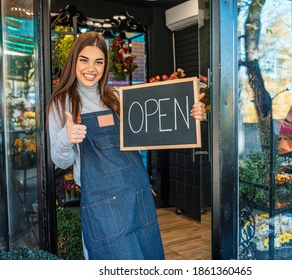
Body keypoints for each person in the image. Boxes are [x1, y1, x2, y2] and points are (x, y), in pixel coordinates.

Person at [46, 31, 206, 260]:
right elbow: (61, 161)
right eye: (84, 60)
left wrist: (192, 116)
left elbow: (159, 129)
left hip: (137, 195)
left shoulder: (118, 98)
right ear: (74, 61)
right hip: (102, 206)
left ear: (105, 66)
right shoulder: (61, 103)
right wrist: (65, 137)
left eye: (98, 62)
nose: (91, 68)